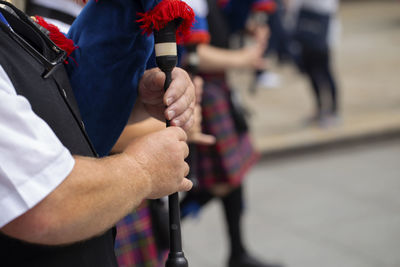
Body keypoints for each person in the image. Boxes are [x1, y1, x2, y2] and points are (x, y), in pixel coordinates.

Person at [0, 1, 194, 266]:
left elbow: (62, 116)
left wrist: (136, 101)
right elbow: (45, 205)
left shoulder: (9, 22)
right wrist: (143, 170)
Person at [179, 1, 282, 267]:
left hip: (217, 87)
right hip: (200, 90)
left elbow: (214, 26)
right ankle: (165, 230)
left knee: (233, 177)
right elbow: (190, 53)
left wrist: (247, 26)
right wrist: (243, 59)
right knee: (219, 180)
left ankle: (238, 252)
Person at [293, 0, 340, 127]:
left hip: (322, 30)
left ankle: (334, 110)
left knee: (325, 71)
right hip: (304, 28)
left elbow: (327, 7)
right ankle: (319, 109)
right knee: (311, 72)